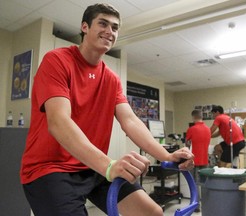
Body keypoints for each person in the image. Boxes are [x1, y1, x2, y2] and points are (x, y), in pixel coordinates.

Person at [20, 3, 194, 216]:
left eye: (114, 27)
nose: (109, 31)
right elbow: (58, 122)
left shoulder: (111, 78)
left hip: (90, 167)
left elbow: (129, 120)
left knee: (152, 212)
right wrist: (109, 166)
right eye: (103, 23)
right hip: (50, 169)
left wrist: (167, 155)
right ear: (85, 27)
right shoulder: (57, 60)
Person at [185, 109, 211, 212]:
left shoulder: (191, 129)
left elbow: (187, 143)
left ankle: (196, 205)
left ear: (193, 117)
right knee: (204, 183)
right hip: (205, 160)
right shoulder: (208, 129)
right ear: (202, 117)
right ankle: (207, 203)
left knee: (194, 183)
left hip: (194, 160)